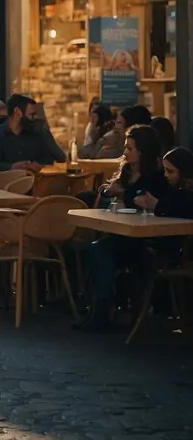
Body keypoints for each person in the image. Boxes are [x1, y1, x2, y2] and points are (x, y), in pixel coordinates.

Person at [83, 125, 172, 331]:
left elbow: (142, 201)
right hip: (121, 234)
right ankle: (100, 309)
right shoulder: (126, 172)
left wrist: (124, 194)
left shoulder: (157, 178)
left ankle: (102, 312)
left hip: (144, 240)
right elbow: (108, 190)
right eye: (125, 147)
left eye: (130, 148)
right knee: (95, 248)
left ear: (143, 151)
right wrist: (109, 191)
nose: (125, 152)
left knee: (100, 250)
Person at [0, 94, 61, 175]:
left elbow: (50, 157)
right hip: (3, 185)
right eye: (31, 115)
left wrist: (37, 165)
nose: (34, 119)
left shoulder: (35, 135)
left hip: (32, 182)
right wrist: (13, 166)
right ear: (17, 112)